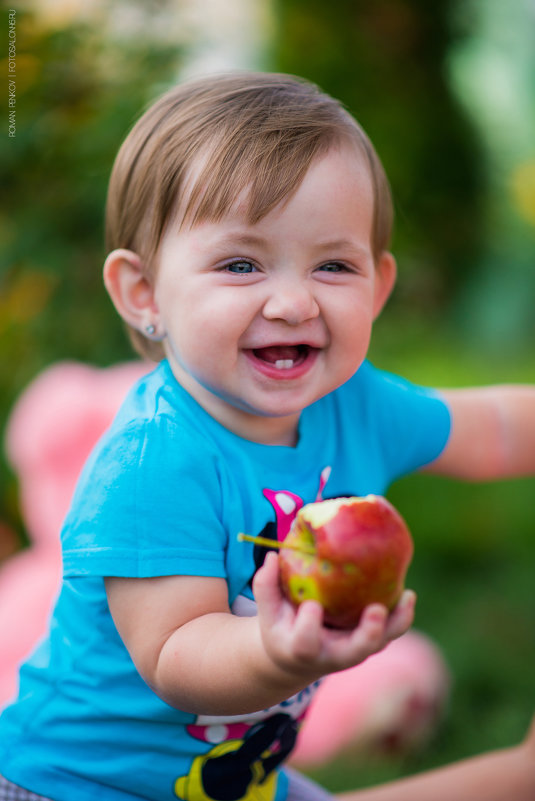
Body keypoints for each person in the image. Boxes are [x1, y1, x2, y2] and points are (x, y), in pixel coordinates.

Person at [0, 71, 534, 801]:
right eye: (240, 264)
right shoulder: (153, 460)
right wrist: (280, 651)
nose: (291, 301)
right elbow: (177, 653)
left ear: (376, 287)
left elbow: (498, 428)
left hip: (232, 776)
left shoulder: (355, 405)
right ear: (144, 293)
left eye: (332, 265)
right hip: (79, 785)